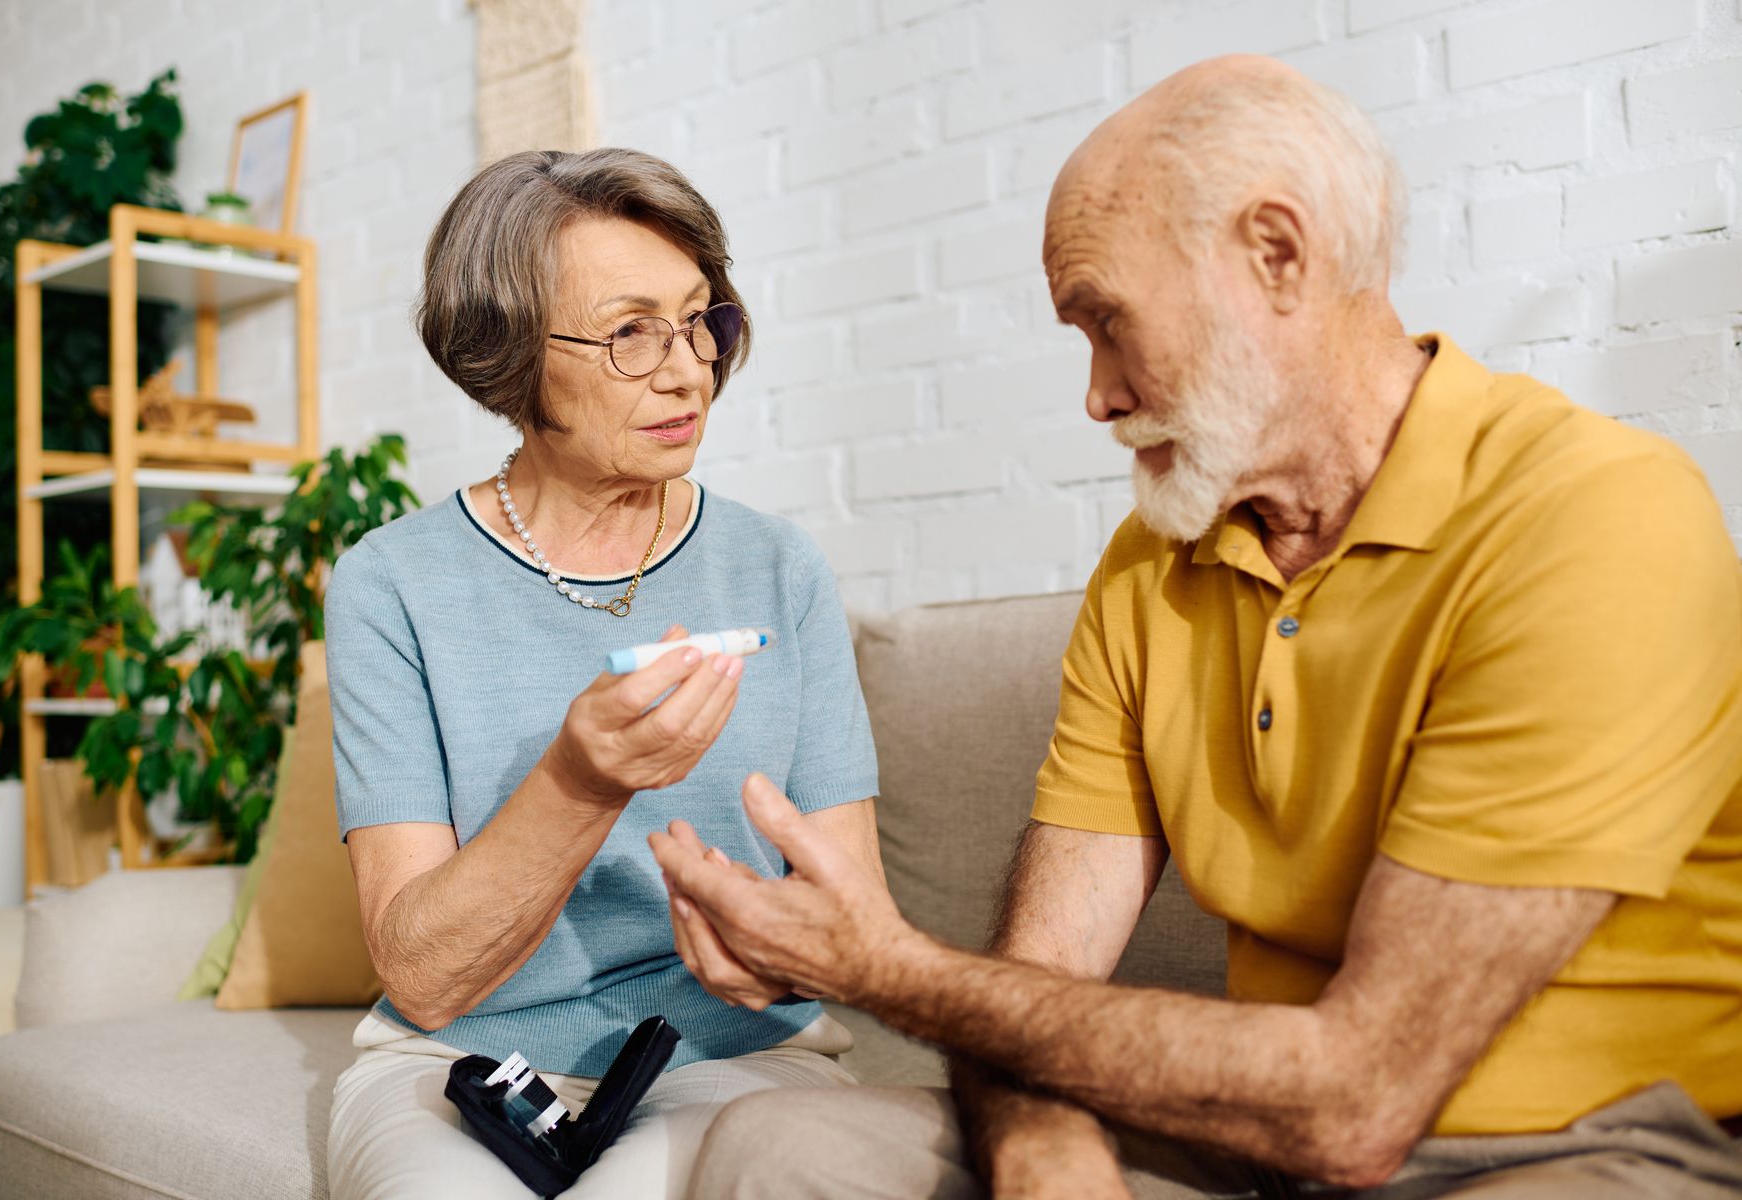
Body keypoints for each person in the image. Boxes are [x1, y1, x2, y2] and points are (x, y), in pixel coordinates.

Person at [651, 55, 1742, 1199]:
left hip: (1580, 1147)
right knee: (781, 1148)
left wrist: (879, 966)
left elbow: (1358, 1101)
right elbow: (1033, 991)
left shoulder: (1590, 519)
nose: (1099, 397)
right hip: (1252, 1142)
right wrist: (1044, 1154)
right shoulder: (1150, 567)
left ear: (1277, 256)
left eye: (1109, 321)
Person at [321, 147, 886, 1200]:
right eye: (631, 333)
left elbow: (857, 915)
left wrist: (786, 953)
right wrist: (582, 782)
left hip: (732, 1055)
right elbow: (424, 977)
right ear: (508, 355)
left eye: (697, 319)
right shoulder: (390, 584)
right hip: (458, 1064)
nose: (688, 369)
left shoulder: (778, 568)